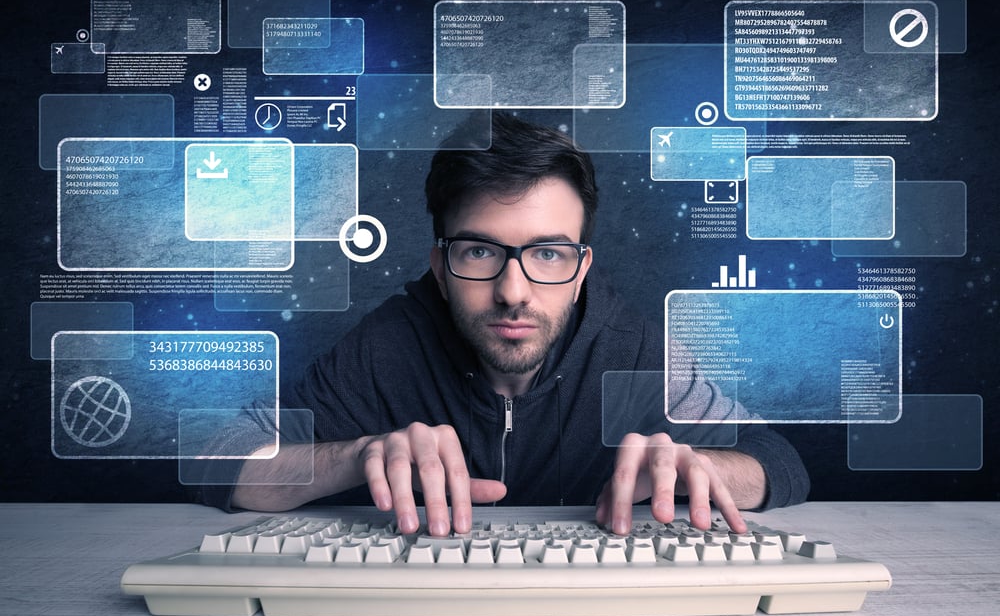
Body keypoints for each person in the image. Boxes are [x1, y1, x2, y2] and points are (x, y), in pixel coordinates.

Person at [201, 112, 809, 536]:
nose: (512, 293)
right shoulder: (390, 345)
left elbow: (779, 462)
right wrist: (355, 455)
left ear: (580, 269)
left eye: (547, 254)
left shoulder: (635, 349)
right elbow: (214, 460)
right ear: (440, 266)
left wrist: (704, 468)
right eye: (480, 252)